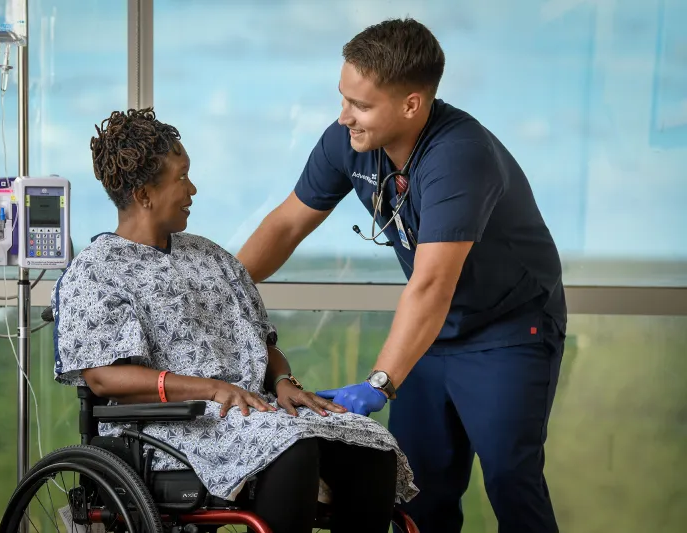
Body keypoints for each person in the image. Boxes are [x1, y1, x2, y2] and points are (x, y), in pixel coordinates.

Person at [236, 17, 567, 533]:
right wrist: (219, 286)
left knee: (510, 482)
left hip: (507, 331)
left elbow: (432, 283)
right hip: (434, 337)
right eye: (343, 98)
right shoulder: (348, 141)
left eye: (360, 105)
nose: (344, 116)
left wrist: (381, 382)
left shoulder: (460, 156)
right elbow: (285, 225)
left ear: (411, 104)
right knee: (419, 489)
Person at [50, 108, 418, 533]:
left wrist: (283, 383)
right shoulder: (96, 270)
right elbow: (103, 379)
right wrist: (210, 388)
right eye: (181, 177)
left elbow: (260, 342)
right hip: (169, 425)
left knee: (369, 445)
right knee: (292, 449)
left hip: (249, 413)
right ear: (144, 193)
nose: (192, 188)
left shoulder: (211, 257)